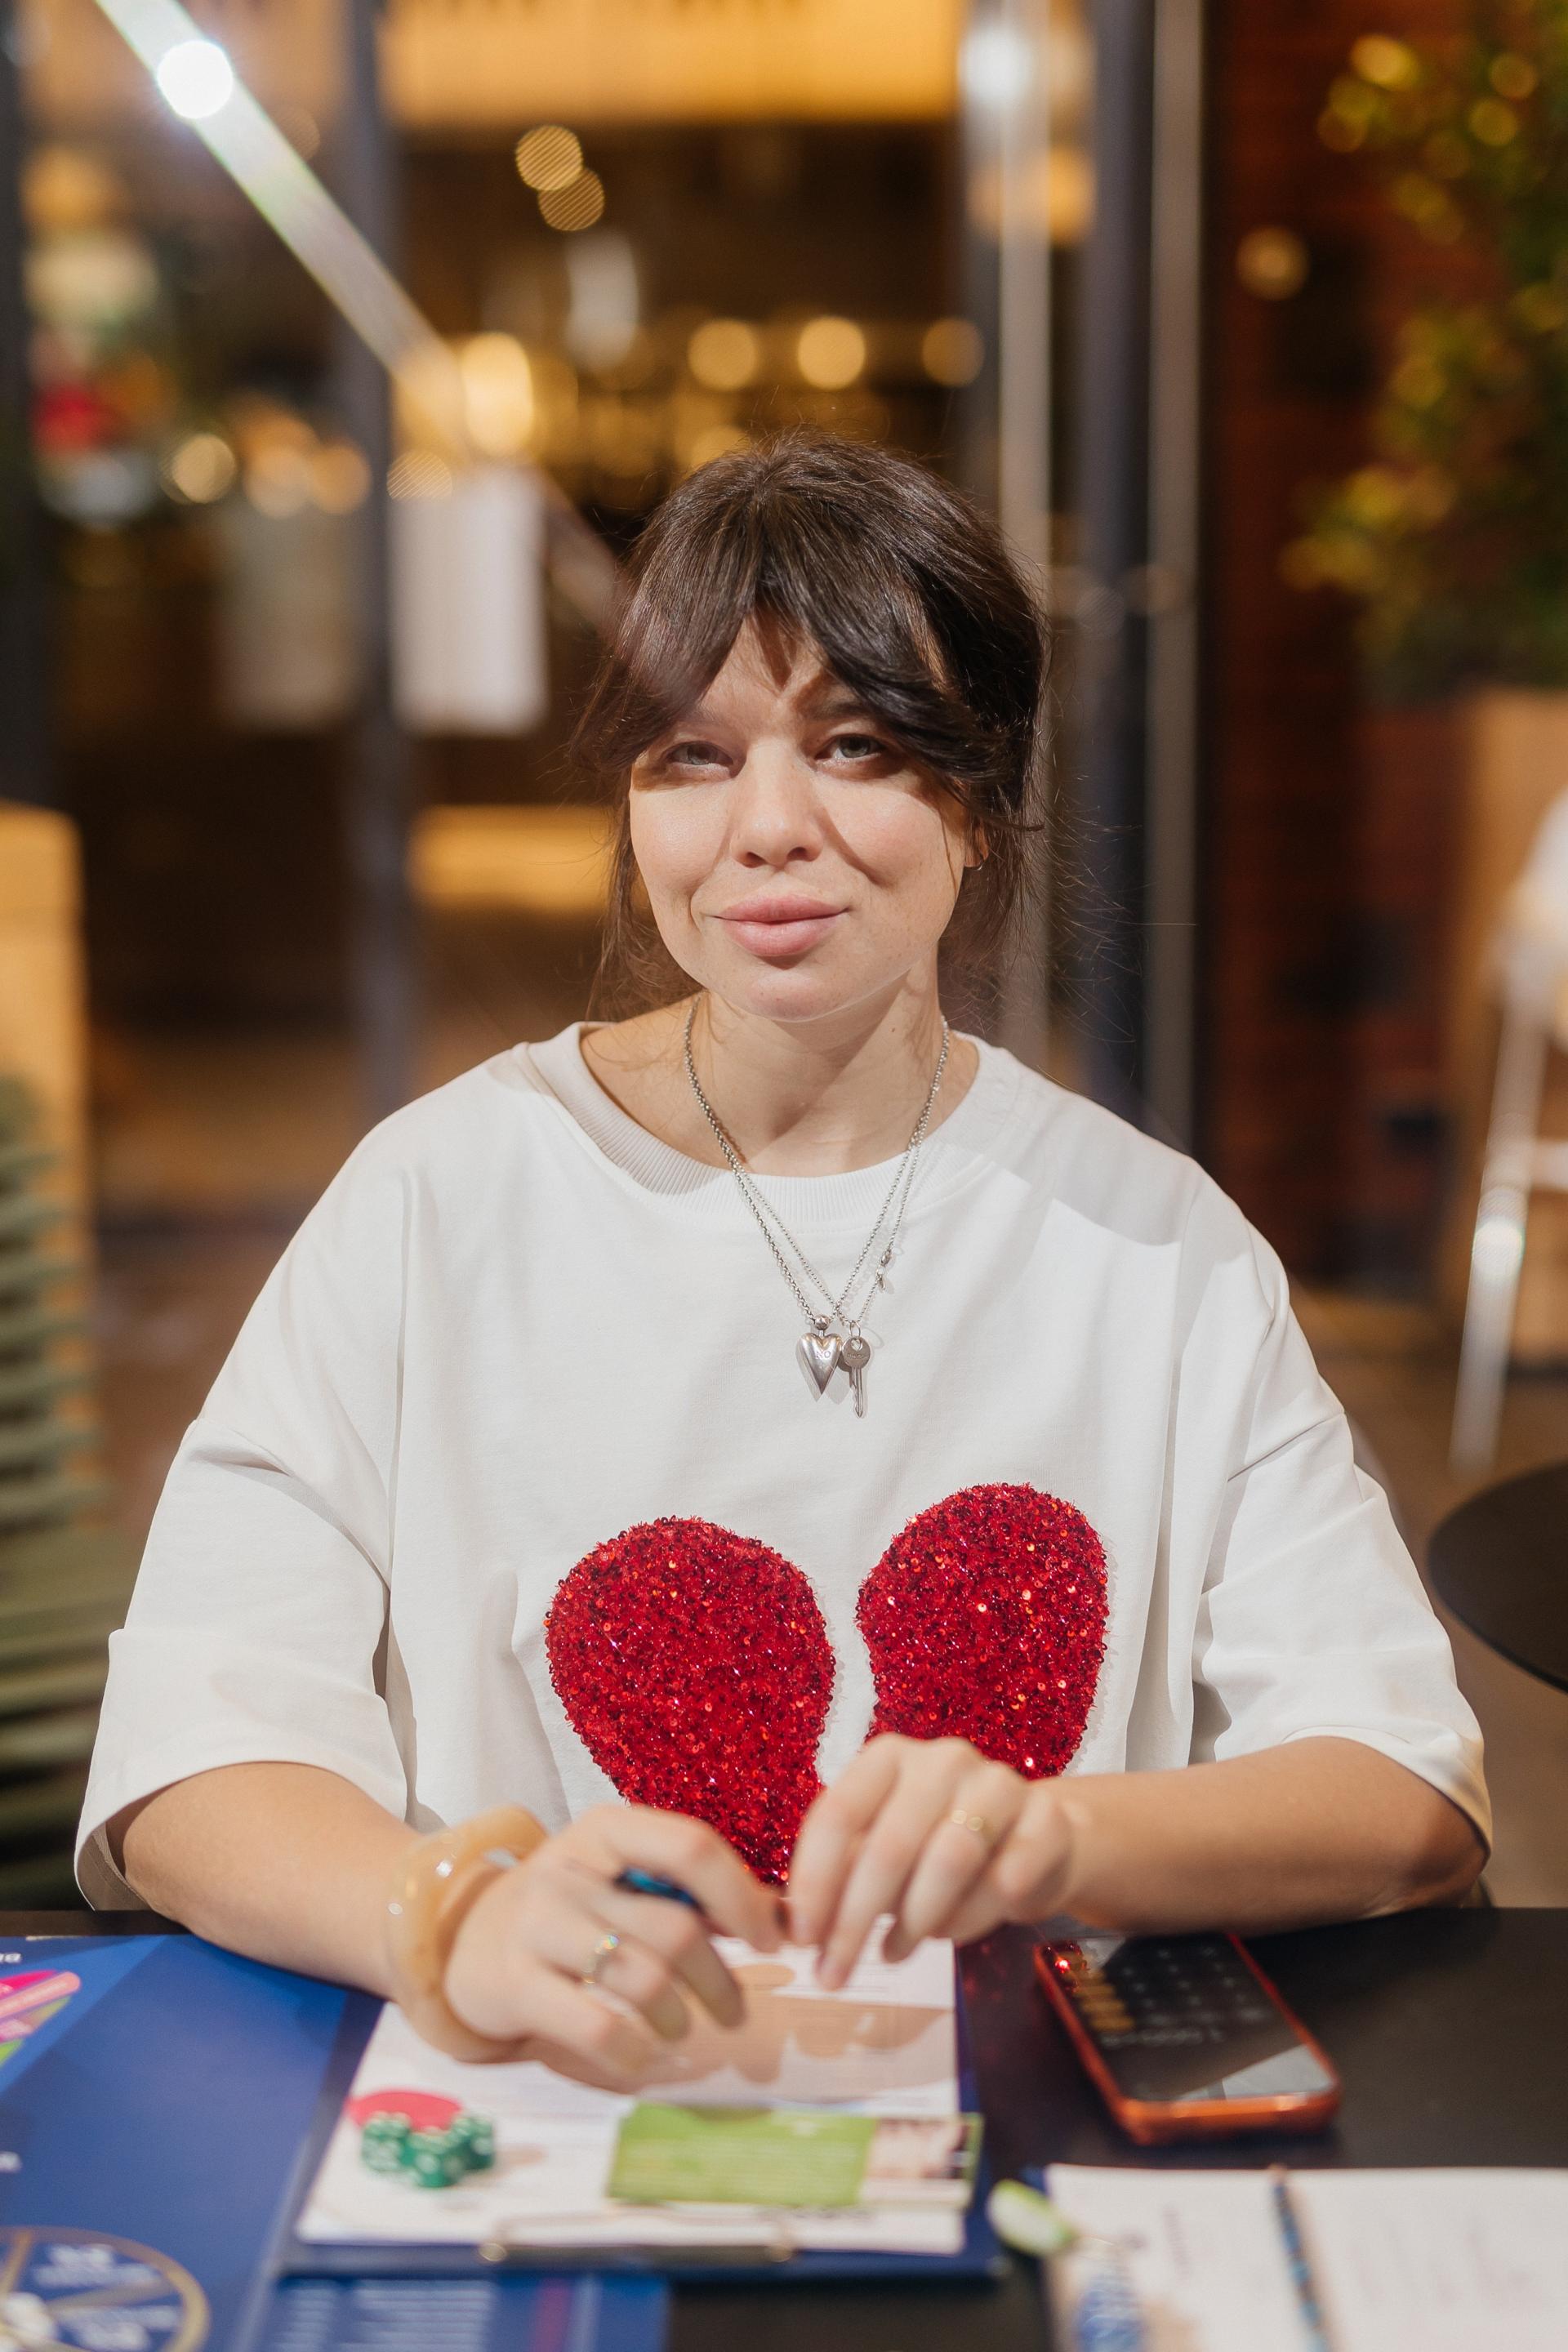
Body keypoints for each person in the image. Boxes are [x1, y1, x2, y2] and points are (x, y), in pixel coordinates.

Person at [78, 434, 1487, 2087]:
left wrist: (1056, 1839)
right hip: (545, 2120)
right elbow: (189, 1754)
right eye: (691, 754)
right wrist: (448, 1915)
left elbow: (1401, 1789)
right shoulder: (438, 1199)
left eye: (855, 745)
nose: (766, 828)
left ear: (981, 800)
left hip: (1019, 2122)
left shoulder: (1154, 1245)